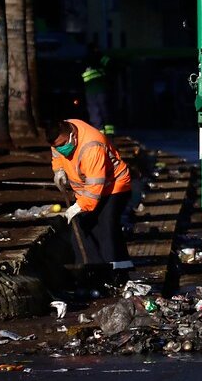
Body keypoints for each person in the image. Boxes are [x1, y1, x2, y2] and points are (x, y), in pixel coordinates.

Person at [48, 119, 133, 287]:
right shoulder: (61, 134)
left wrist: (78, 207)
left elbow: (94, 190)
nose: (60, 149)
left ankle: (114, 275)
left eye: (63, 144)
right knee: (84, 226)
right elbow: (57, 154)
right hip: (89, 190)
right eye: (57, 146)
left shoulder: (92, 147)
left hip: (114, 186)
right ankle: (93, 270)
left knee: (106, 228)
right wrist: (59, 170)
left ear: (72, 136)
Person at [82, 43, 115, 136]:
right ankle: (109, 134)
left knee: (95, 113)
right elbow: (111, 65)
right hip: (101, 88)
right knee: (105, 111)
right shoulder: (101, 57)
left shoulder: (85, 59)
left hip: (91, 90)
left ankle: (99, 133)